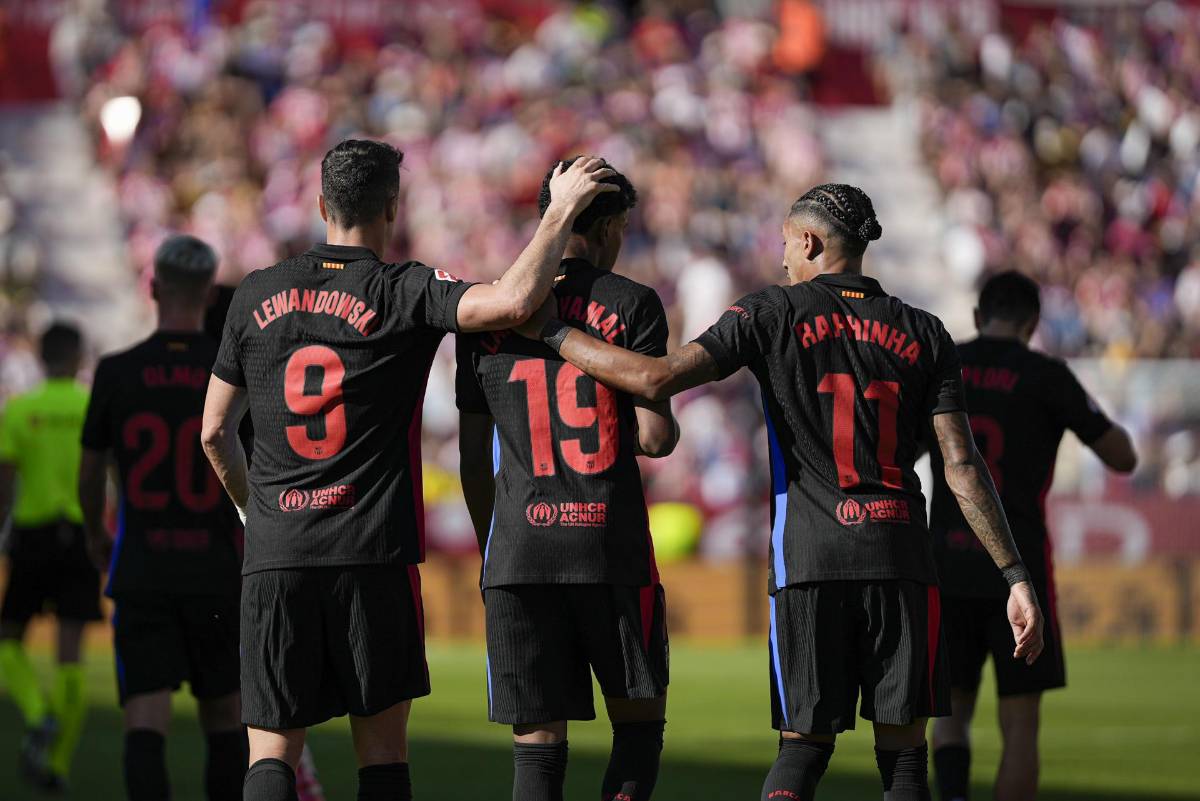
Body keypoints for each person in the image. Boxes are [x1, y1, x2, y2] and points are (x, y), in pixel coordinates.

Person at [514, 183, 1045, 801]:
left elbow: (654, 377)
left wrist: (551, 332)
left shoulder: (770, 312)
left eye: (786, 245)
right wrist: (1014, 575)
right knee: (903, 760)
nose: (782, 259)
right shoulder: (926, 332)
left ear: (811, 241)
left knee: (802, 750)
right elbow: (961, 464)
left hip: (810, 561)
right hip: (902, 558)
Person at [200, 139, 617, 801]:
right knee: (384, 754)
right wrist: (559, 212)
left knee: (272, 751)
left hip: (278, 555)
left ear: (320, 205)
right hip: (372, 553)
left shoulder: (255, 293)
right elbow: (512, 303)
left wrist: (258, 512)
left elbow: (214, 431)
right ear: (393, 207)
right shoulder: (404, 288)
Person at [457, 159, 678, 801]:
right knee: (637, 728)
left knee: (537, 750)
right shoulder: (633, 302)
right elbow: (654, 439)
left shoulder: (487, 310)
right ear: (609, 226)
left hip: (520, 551)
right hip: (609, 547)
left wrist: (491, 544)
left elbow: (475, 458)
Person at [928, 271, 1137, 801]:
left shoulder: (944, 363)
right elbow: (1122, 456)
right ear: (1033, 322)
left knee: (949, 712)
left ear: (978, 316)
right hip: (1019, 571)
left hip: (946, 563)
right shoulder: (1047, 375)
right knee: (1020, 725)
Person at [78, 235, 247, 801]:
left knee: (145, 720)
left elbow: (90, 473)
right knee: (226, 719)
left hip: (143, 566)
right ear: (208, 293)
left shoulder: (116, 371)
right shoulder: (233, 373)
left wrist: (98, 537)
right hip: (216, 570)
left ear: (153, 288)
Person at [0, 322, 96, 791]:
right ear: (78, 357)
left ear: (41, 357)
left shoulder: (21, 409)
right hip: (78, 535)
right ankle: (56, 766)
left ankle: (38, 713)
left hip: (32, 533)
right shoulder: (89, 406)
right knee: (70, 655)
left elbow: (4, 478)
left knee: (7, 638)